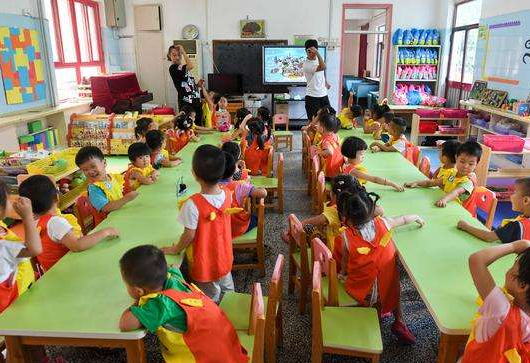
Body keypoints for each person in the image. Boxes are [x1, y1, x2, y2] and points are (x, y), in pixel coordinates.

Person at [119, 245, 248, 363]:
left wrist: (136, 303)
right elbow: (174, 267)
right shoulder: (174, 277)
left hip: (207, 357)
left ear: (139, 290)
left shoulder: (160, 305)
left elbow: (125, 324)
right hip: (227, 345)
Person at [337, 190, 425, 345]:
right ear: (372, 210)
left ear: (348, 219)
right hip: (387, 285)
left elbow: (344, 260)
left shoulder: (345, 237)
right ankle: (399, 321)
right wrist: (417, 217)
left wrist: (343, 274)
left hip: (362, 291)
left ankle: (373, 318)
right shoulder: (384, 223)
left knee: (359, 278)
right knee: (393, 278)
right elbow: (404, 219)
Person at [161, 145, 234, 302]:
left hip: (204, 262)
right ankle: (230, 311)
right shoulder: (228, 195)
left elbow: (188, 235)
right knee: (228, 292)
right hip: (225, 255)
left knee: (208, 299)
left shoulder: (192, 204)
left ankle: (214, 321)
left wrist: (175, 248)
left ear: (194, 173)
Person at [18, 175, 119, 271]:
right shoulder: (55, 222)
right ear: (56, 198)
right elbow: (77, 245)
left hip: (51, 272)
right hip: (68, 271)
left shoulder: (32, 222)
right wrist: (106, 232)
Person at [459, 240, 529, 362]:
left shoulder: (501, 310)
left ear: (522, 286)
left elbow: (476, 260)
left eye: (513, 266)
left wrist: (514, 246)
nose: (507, 272)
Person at [0, 181, 41, 313]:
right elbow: (34, 249)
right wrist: (27, 217)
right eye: (7, 198)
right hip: (15, 304)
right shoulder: (2, 247)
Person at [405, 140, 481, 208]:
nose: (465, 166)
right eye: (462, 161)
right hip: (448, 206)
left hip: (462, 213)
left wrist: (444, 200)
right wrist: (416, 183)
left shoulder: (468, 181)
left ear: (476, 164)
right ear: (456, 158)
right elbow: (433, 182)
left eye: (471, 164)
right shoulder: (451, 173)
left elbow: (456, 192)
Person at [75, 146, 138, 224]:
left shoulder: (112, 177)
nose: (90, 171)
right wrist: (126, 199)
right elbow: (105, 207)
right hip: (108, 223)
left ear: (104, 163)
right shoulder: (94, 188)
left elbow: (123, 189)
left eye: (93, 166)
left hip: (120, 215)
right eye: (85, 170)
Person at [457, 178, 530, 243]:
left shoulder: (516, 226)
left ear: (526, 200)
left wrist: (466, 226)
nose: (511, 196)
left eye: (515, 192)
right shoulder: (521, 220)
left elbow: (488, 237)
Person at [220, 152, 267, 237]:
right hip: (237, 227)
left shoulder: (209, 189)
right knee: (256, 218)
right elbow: (263, 193)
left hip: (218, 230)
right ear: (233, 171)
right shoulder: (239, 186)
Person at [167, 45, 203, 124]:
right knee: (188, 126)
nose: (177, 57)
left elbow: (187, 84)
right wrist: (183, 52)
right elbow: (191, 66)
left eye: (179, 55)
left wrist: (197, 86)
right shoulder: (173, 68)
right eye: (174, 55)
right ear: (169, 56)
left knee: (199, 125)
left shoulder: (182, 67)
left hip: (196, 101)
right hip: (187, 104)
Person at [303, 39, 330, 121]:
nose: (312, 53)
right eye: (309, 51)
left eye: (314, 51)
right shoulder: (306, 65)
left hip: (323, 94)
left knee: (327, 119)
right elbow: (323, 67)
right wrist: (317, 53)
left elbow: (323, 71)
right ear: (306, 51)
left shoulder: (319, 60)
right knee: (313, 122)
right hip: (312, 96)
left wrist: (325, 82)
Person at [317, 113, 343, 179]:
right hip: (338, 167)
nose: (317, 126)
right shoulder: (335, 135)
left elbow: (330, 152)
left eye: (318, 124)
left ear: (322, 128)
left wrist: (320, 153)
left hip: (329, 170)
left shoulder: (326, 140)